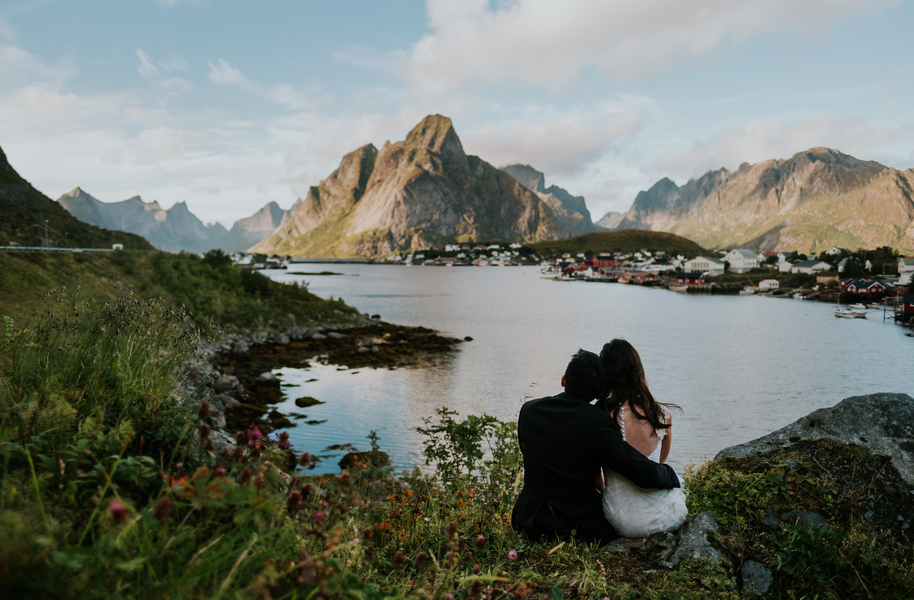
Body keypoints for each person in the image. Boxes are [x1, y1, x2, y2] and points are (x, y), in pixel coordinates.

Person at [511, 349, 681, 545]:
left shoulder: (530, 411)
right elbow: (639, 470)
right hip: (576, 528)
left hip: (528, 520)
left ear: (564, 380)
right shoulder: (596, 422)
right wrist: (671, 474)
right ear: (599, 393)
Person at [598, 339, 688, 538]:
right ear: (638, 370)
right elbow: (660, 465)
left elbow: (596, 476)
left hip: (623, 519)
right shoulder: (662, 414)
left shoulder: (602, 418)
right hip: (666, 514)